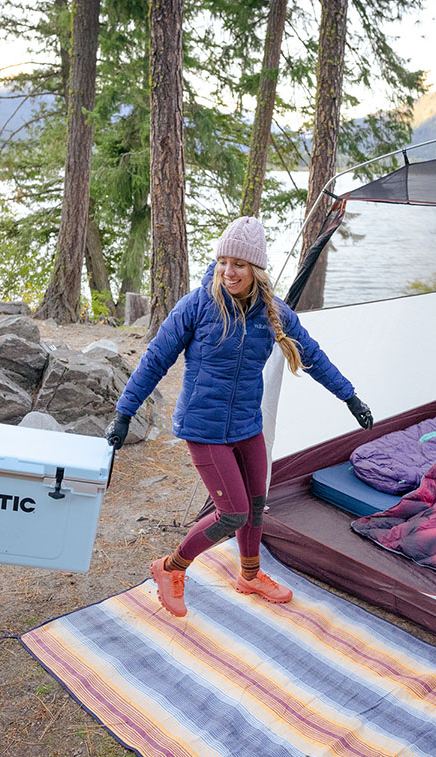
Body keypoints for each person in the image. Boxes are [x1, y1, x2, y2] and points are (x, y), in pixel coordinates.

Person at [105, 216, 372, 617]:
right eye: (224, 261)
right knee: (233, 514)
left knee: (257, 504)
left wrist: (350, 397)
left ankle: (249, 575)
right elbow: (155, 359)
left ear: (256, 269)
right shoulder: (197, 305)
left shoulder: (273, 313)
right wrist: (124, 413)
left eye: (240, 264)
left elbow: (313, 356)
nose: (228, 272)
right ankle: (170, 568)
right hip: (204, 427)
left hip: (248, 425)